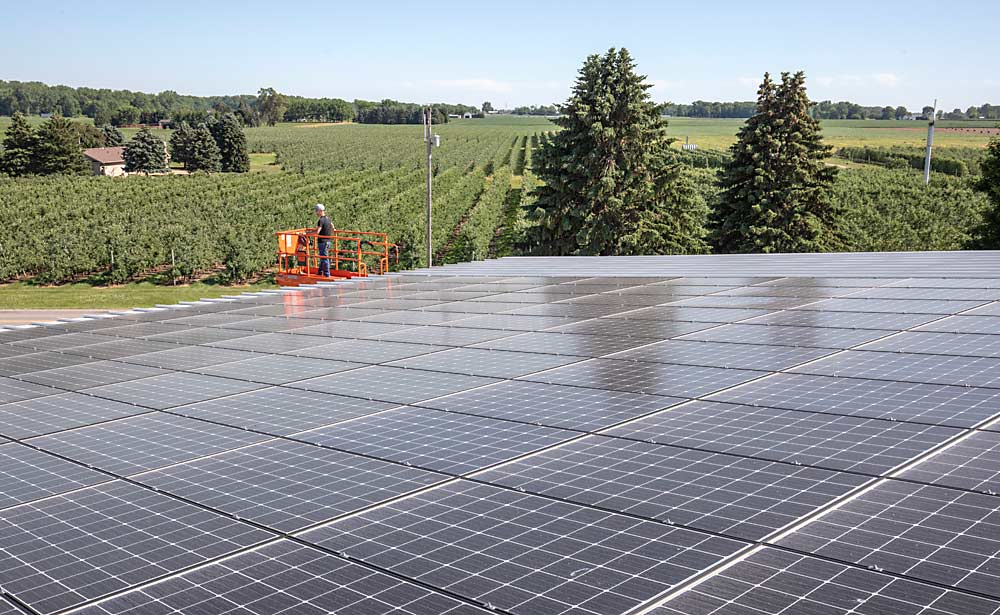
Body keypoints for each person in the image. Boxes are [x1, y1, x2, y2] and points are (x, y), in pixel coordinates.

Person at [311, 204, 334, 277]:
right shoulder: (328, 218)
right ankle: (320, 271)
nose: (316, 213)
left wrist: (308, 234)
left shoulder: (321, 220)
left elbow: (317, 231)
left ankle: (327, 274)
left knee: (324, 257)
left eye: (317, 211)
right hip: (328, 241)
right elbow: (333, 227)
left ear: (320, 211)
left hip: (322, 242)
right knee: (323, 256)